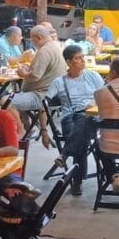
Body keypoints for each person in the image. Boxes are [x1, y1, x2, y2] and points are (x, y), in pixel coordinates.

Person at [42, 45, 105, 195]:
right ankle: (77, 178)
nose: (83, 60)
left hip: (92, 116)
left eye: (83, 57)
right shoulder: (59, 82)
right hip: (70, 117)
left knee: (84, 122)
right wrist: (44, 130)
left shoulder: (93, 76)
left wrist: (95, 103)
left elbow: (106, 96)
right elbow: (43, 105)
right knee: (81, 134)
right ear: (69, 62)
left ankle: (67, 160)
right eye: (78, 58)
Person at [8, 24, 66, 133]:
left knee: (6, 101)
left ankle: (21, 131)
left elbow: (35, 76)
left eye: (33, 40)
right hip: (53, 95)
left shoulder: (44, 51)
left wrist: (23, 74)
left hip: (41, 95)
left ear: (39, 37)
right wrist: (29, 68)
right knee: (17, 96)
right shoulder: (56, 46)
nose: (33, 43)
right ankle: (27, 128)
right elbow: (44, 70)